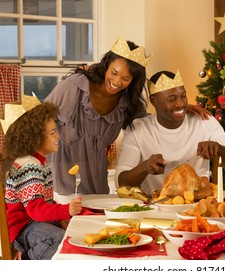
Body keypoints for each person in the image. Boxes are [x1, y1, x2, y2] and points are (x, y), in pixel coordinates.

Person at [45, 38, 209, 203]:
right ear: (107, 65)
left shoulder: (126, 103)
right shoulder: (75, 87)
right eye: (114, 72)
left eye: (125, 78)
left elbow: (148, 125)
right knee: (66, 221)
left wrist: (175, 108)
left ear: (133, 81)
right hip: (62, 170)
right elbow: (40, 117)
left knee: (96, 217)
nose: (117, 81)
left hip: (95, 174)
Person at [115, 70, 225, 196]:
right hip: (155, 211)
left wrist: (219, 149)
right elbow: (120, 184)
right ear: (153, 100)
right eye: (171, 99)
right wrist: (145, 167)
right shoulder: (138, 129)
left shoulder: (204, 121)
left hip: (198, 207)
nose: (180, 104)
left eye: (183, 96)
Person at [1, 102, 82, 260]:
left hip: (32, 223)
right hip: (22, 228)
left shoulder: (39, 162)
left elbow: (45, 204)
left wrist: (60, 217)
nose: (57, 136)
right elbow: (36, 210)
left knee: (69, 233)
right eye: (52, 133)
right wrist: (66, 210)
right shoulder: (29, 165)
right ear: (35, 138)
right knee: (58, 240)